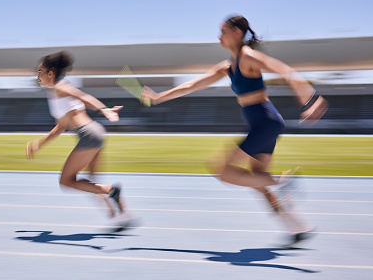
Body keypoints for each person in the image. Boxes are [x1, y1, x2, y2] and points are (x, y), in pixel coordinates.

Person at [141, 15, 328, 247]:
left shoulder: (248, 56)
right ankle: (298, 227)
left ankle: (284, 181)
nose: (218, 36)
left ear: (237, 33)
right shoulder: (228, 66)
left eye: (223, 31)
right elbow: (192, 85)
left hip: (265, 122)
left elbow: (284, 70)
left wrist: (310, 98)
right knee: (257, 181)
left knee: (221, 169)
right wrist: (158, 97)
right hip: (263, 123)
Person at [26, 51, 135, 231]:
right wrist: (39, 144)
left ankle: (112, 193)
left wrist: (104, 110)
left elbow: (83, 96)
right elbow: (61, 127)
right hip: (96, 132)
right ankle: (123, 215)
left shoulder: (61, 87)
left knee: (66, 181)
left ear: (50, 73)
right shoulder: (54, 95)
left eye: (40, 72)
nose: (37, 76)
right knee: (91, 183)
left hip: (88, 135)